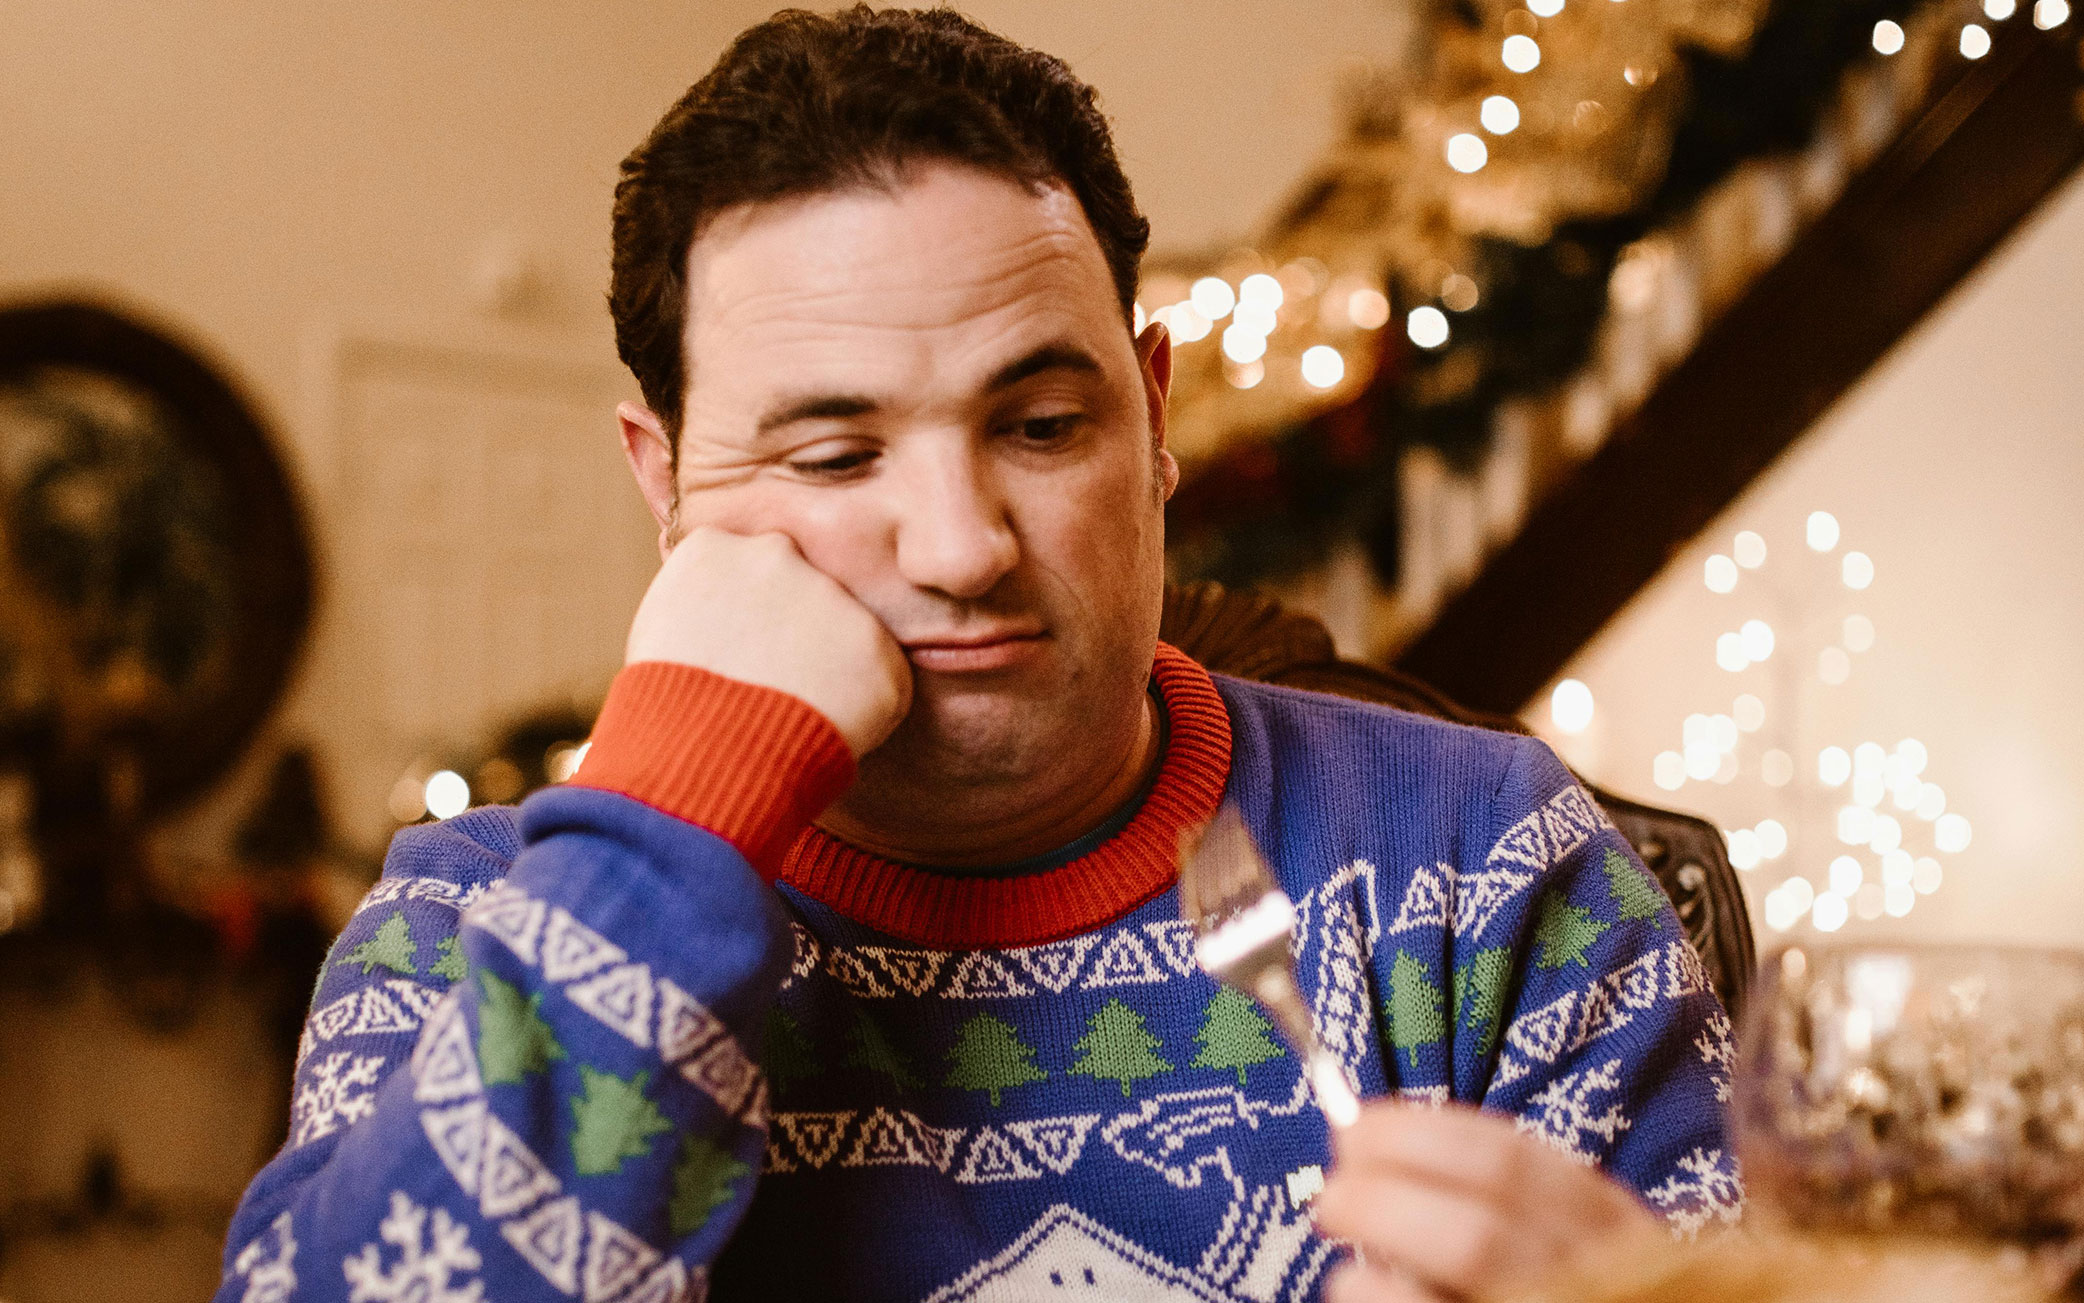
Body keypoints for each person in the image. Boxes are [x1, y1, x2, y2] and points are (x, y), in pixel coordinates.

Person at [217, 8, 1739, 1301]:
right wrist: (666, 819)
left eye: (1041, 426)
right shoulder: (472, 915)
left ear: (1154, 423)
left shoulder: (1486, 867)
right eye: (831, 454)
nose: (958, 545)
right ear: (665, 483)